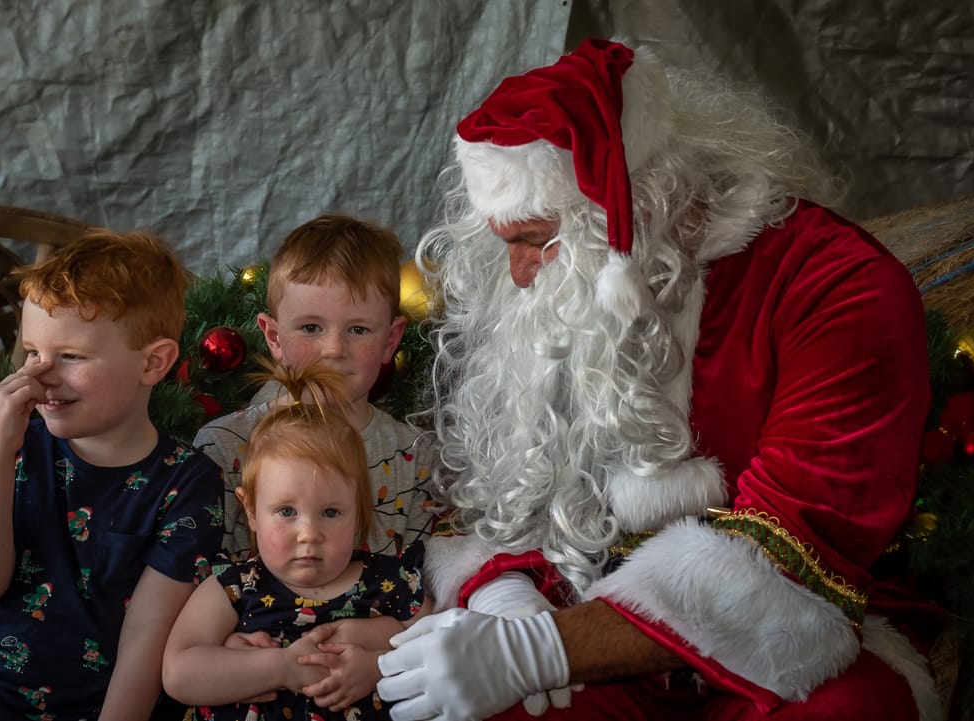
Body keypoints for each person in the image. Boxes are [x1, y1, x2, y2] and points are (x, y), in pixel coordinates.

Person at [375, 38, 945, 721]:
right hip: (578, 609)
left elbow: (796, 551)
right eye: (507, 243)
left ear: (638, 208)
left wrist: (539, 651)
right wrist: (507, 596)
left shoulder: (837, 286)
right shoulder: (545, 300)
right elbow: (506, 494)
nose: (519, 273)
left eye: (534, 239)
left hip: (786, 645)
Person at [0, 230, 225, 721]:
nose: (41, 373)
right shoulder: (13, 450)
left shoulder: (186, 483)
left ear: (154, 362)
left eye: (70, 356)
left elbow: (146, 640)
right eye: (32, 351)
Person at [163, 362, 429, 721]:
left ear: (357, 515)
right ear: (252, 511)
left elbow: (438, 649)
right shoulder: (234, 586)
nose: (308, 533)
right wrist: (280, 667)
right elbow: (178, 675)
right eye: (286, 511)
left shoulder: (392, 582)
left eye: (331, 512)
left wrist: (378, 666)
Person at [194, 215, 438, 562]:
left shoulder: (415, 456)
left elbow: (418, 585)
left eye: (358, 330)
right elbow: (206, 581)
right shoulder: (225, 445)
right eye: (310, 327)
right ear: (274, 337)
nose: (333, 350)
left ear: (391, 339)